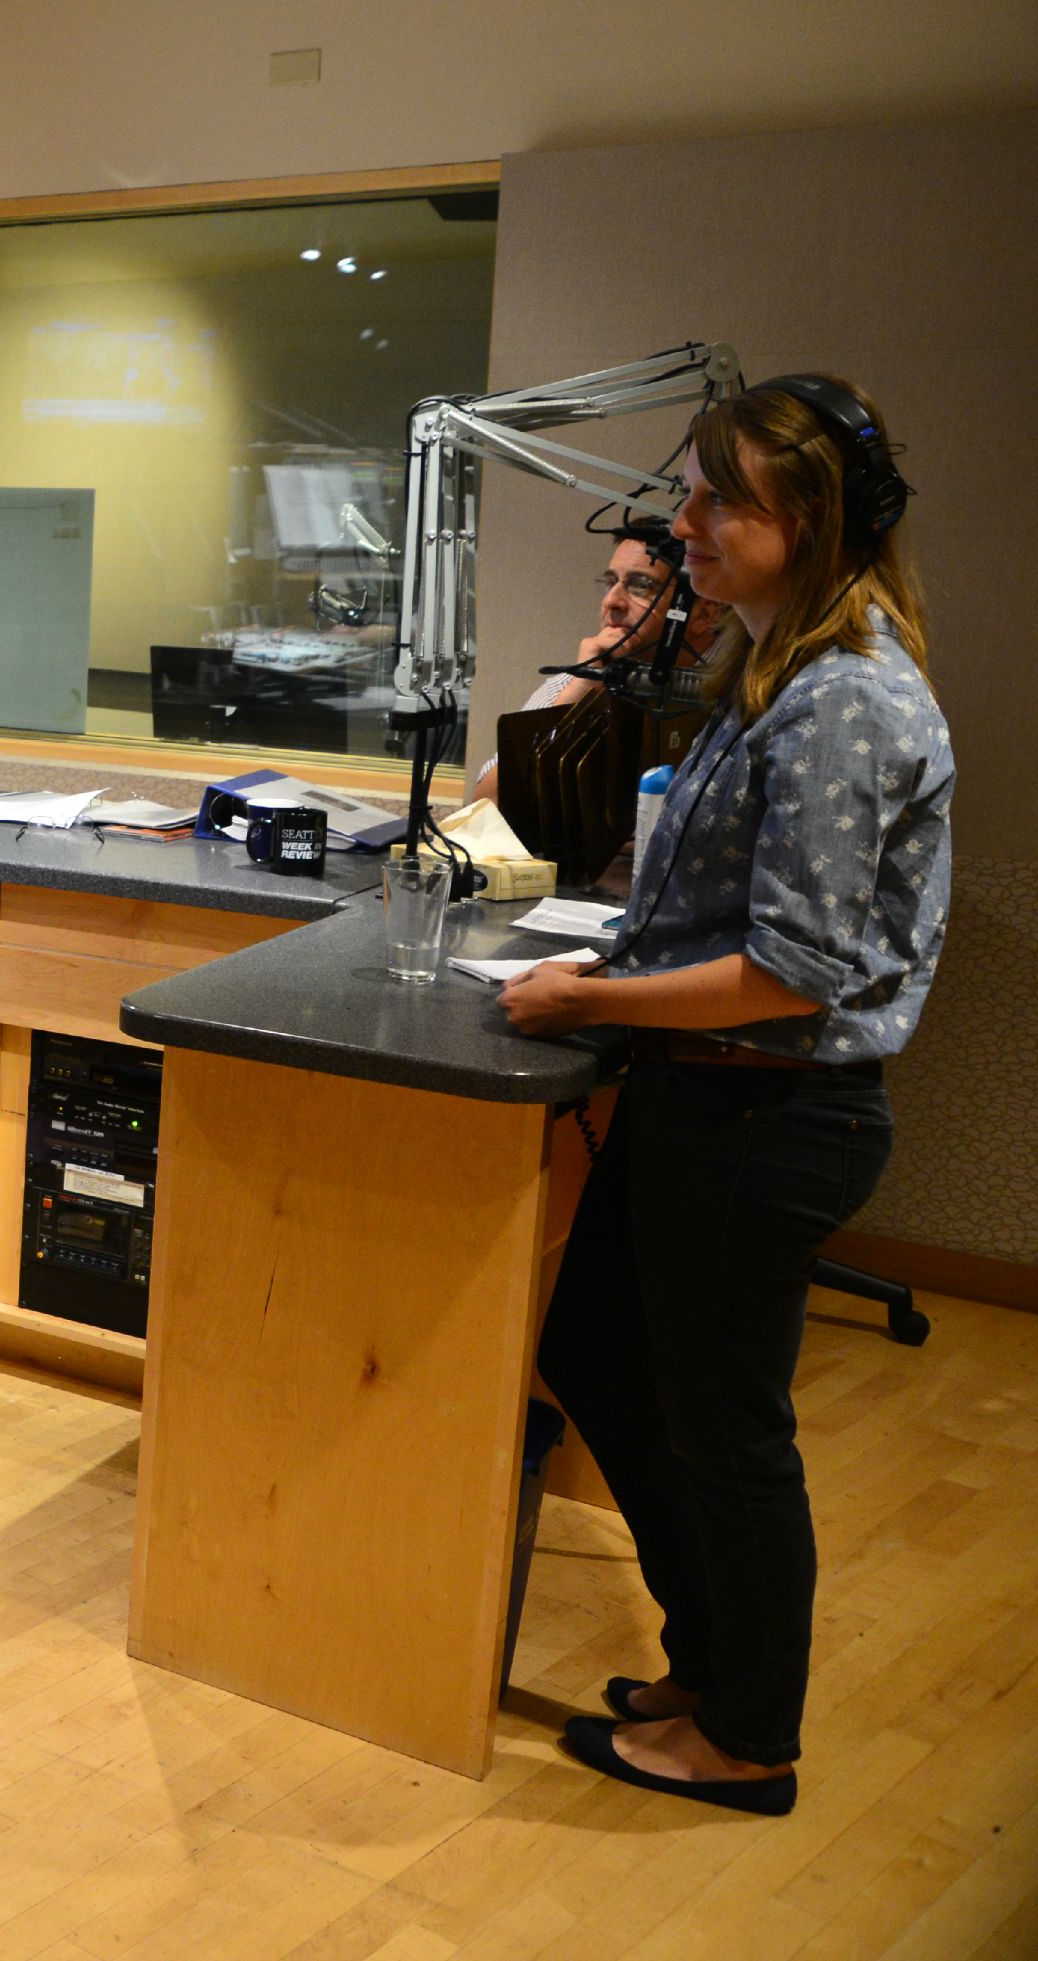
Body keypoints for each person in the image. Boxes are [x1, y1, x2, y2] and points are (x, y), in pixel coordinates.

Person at [501, 375, 951, 1814]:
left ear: (805, 522)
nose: (681, 522)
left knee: (728, 1432)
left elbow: (793, 971)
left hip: (766, 1113)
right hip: (709, 1103)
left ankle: (748, 1734)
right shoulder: (770, 671)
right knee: (608, 1354)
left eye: (716, 500)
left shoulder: (843, 699)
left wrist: (585, 999)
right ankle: (708, 1662)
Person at [469, 529, 725, 804]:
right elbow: (486, 807)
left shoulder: (742, 691)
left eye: (641, 585)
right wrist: (578, 693)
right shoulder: (590, 670)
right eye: (610, 583)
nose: (611, 601)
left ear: (704, 613)